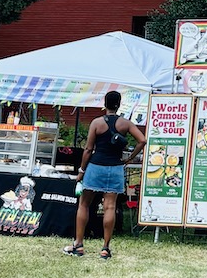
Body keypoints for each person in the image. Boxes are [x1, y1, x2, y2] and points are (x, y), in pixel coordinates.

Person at [63, 91, 146, 259]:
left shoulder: (96, 123)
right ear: (119, 104)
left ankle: (78, 245)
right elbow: (142, 140)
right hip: (115, 168)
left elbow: (88, 149)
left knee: (84, 204)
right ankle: (105, 248)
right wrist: (129, 158)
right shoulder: (125, 123)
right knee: (110, 207)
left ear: (104, 103)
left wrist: (81, 171)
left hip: (95, 167)